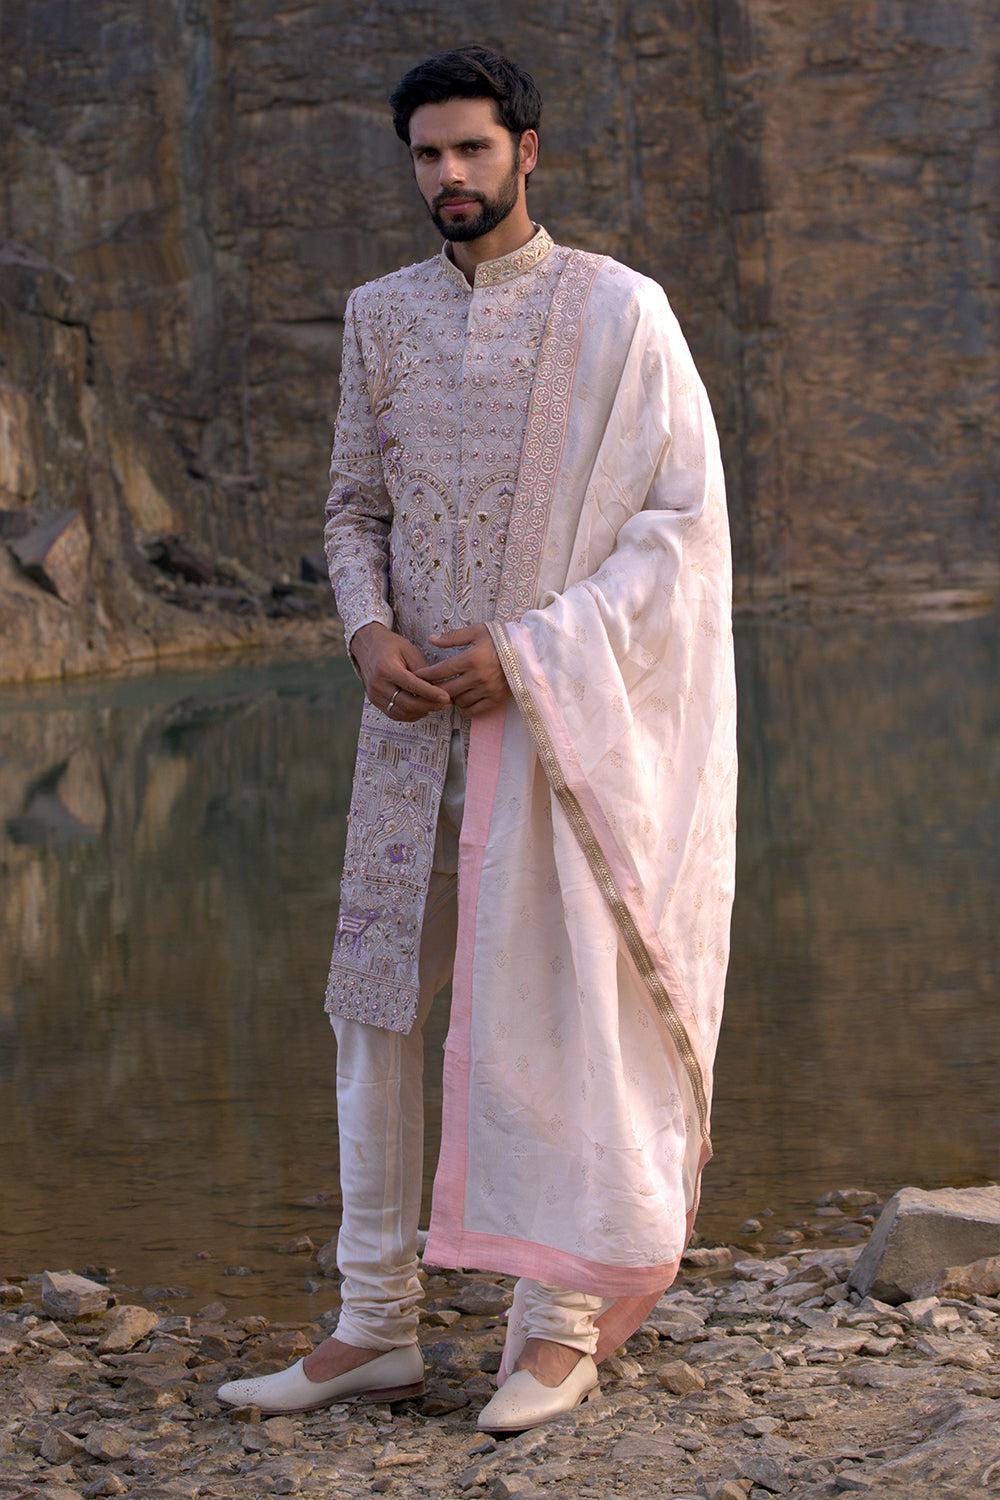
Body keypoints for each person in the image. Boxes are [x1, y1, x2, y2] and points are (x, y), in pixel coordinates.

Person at [218, 43, 736, 1433]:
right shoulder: (379, 317)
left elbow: (680, 537)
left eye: (471, 149)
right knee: (374, 1013)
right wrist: (364, 634)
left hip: (554, 730)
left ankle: (558, 1321)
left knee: (556, 1008)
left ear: (527, 149)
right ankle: (372, 1323)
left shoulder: (622, 314)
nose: (449, 176)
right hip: (407, 737)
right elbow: (349, 508)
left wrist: (527, 653)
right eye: (427, 155)